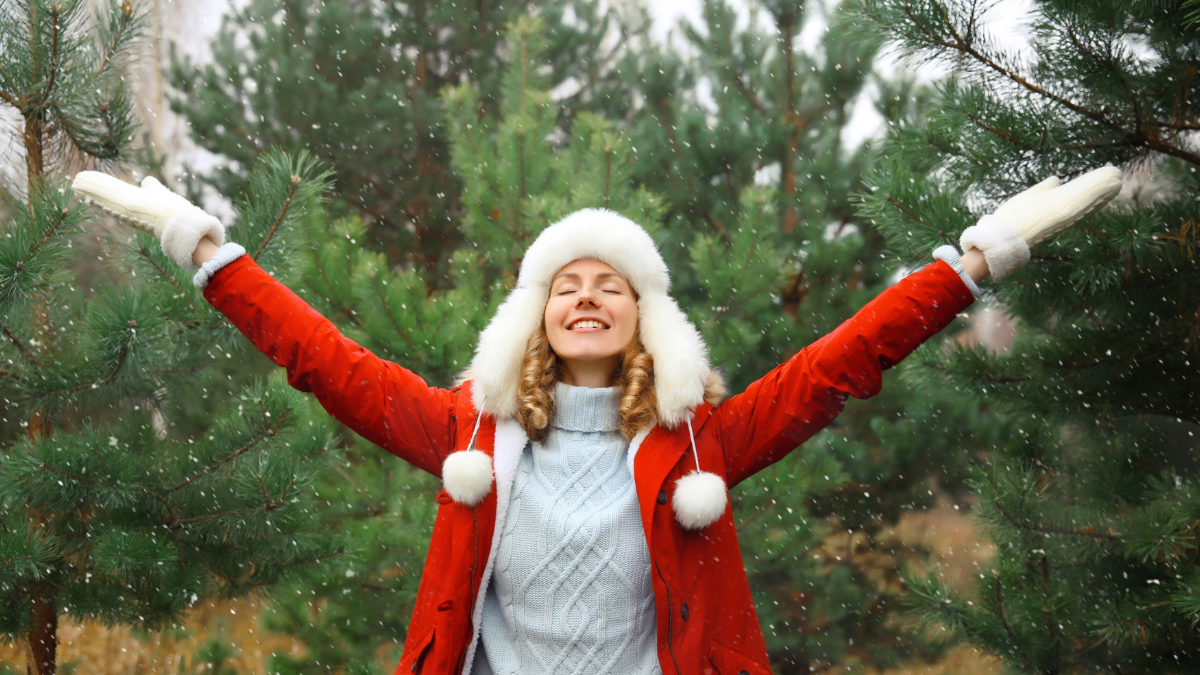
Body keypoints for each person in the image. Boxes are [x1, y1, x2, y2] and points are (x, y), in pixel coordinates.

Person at [71, 165, 1122, 675]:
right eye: (564, 282)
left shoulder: (706, 442)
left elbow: (840, 363)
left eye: (610, 285)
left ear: (641, 318)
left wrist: (970, 261)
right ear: (534, 315)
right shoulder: (464, 435)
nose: (586, 295)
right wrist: (207, 250)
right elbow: (323, 360)